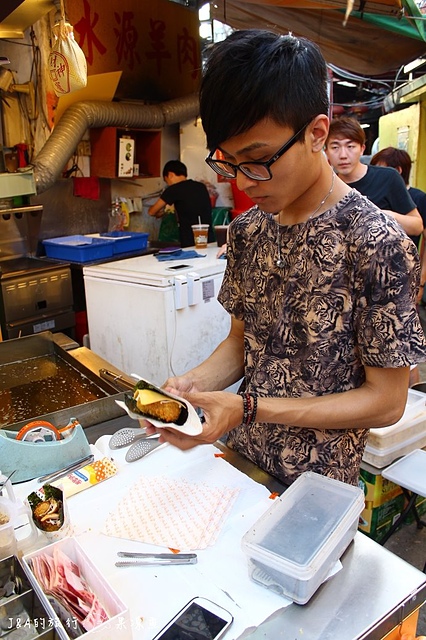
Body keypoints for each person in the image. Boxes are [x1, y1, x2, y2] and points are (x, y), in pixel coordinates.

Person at [145, 30, 426, 487]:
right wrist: (192, 385)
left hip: (319, 489)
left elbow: (387, 401)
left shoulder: (376, 241)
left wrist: (249, 407)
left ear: (317, 132)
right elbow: (241, 344)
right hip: (240, 464)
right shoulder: (247, 229)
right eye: (228, 163)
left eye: (257, 160)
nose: (242, 182)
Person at [325, 117, 423, 238]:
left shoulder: (388, 177)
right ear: (327, 152)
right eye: (335, 147)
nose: (343, 155)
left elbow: (417, 226)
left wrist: (381, 215)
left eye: (350, 146)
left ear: (362, 149)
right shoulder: (326, 187)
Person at [148, 160, 214, 247]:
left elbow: (152, 211)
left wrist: (159, 213)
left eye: (166, 180)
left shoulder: (173, 189)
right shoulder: (201, 186)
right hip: (209, 239)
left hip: (190, 241)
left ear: (170, 175)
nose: (168, 184)